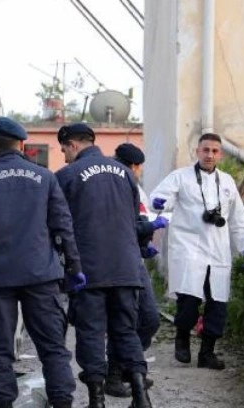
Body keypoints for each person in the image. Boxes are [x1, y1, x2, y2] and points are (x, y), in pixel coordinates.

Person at [0, 117, 86, 408]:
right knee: (52, 346)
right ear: (22, 145)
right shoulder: (45, 178)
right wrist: (74, 268)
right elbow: (63, 227)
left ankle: (3, 403)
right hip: (41, 274)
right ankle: (62, 401)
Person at [55, 124, 152, 408]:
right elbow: (136, 221)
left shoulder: (66, 176)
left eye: (63, 150)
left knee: (91, 333)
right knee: (126, 331)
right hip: (126, 269)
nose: (63, 156)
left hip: (89, 270)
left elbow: (58, 224)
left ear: (73, 144)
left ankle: (97, 400)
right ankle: (141, 396)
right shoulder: (126, 174)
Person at [150, 133, 244, 370]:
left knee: (218, 303)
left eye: (215, 151)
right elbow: (160, 196)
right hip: (188, 248)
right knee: (189, 300)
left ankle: (207, 353)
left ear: (220, 154)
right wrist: (159, 202)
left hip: (218, 250)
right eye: (205, 150)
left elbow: (239, 219)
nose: (210, 155)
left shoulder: (227, 182)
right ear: (197, 151)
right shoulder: (181, 177)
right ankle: (182, 340)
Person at [101, 143, 168, 397]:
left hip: (134, 260)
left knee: (149, 319)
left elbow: (137, 220)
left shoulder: (135, 187)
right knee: (126, 321)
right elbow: (122, 226)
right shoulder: (114, 184)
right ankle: (115, 375)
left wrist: (145, 245)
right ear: (134, 166)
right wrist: (149, 229)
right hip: (117, 263)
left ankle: (128, 367)